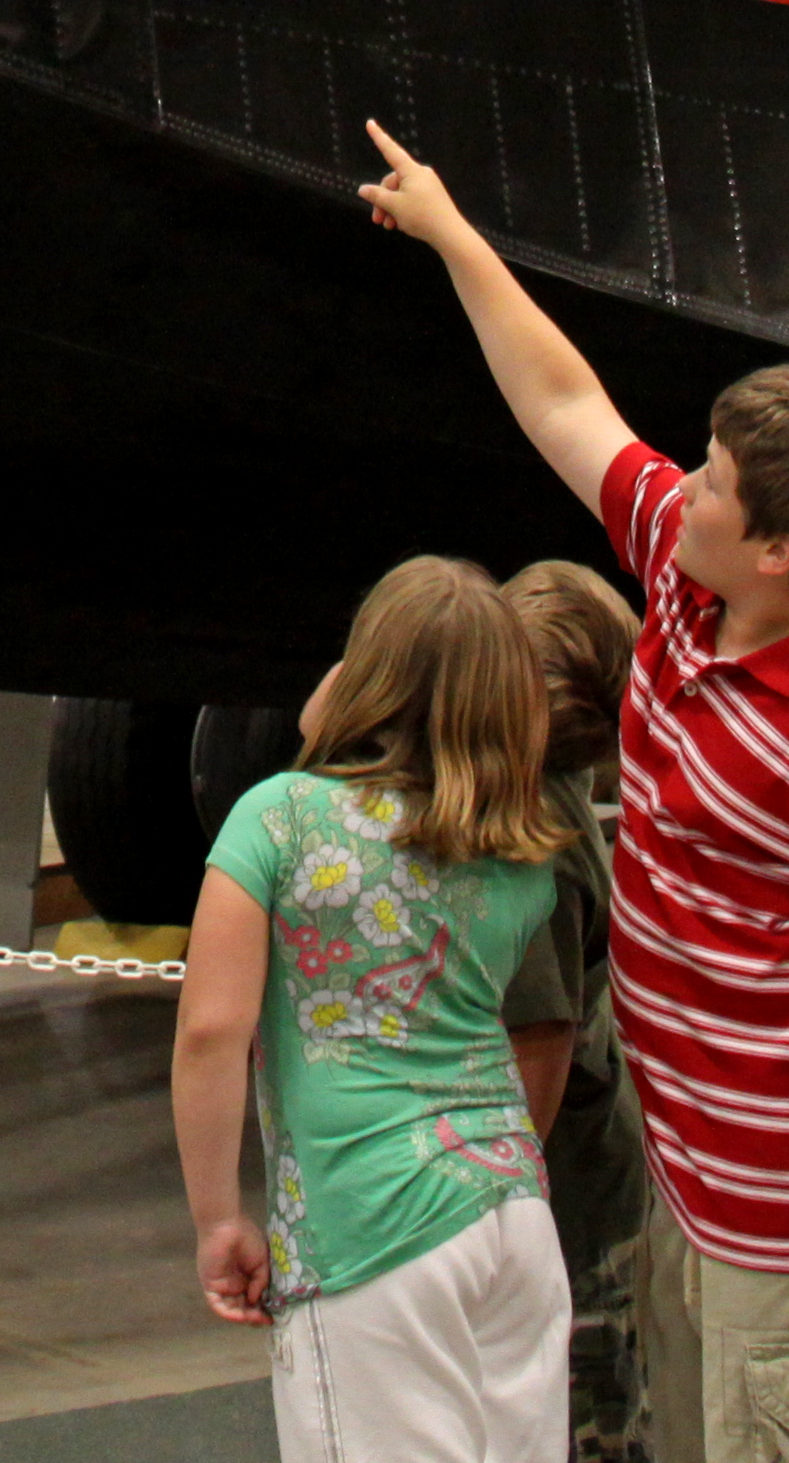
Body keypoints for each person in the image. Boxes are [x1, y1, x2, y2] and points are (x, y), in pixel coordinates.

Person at [363, 124, 789, 1463]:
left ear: (786, 551)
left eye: (715, 484)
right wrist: (454, 231)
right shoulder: (693, 588)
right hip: (691, 1200)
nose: (679, 488)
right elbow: (566, 404)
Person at [178, 556, 579, 1463]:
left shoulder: (275, 819)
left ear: (364, 674)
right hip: (512, 1210)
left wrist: (218, 1220)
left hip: (368, 1225)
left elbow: (211, 1029)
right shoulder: (517, 850)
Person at [500, 561, 647, 1463]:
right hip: (577, 1186)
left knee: (590, 1428)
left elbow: (542, 1049)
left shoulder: (535, 857)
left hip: (569, 1203)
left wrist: (490, 1212)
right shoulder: (543, 798)